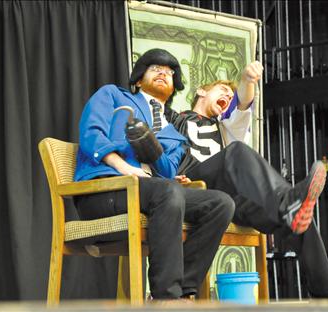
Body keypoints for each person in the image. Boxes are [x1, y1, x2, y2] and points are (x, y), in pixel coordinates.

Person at [167, 60, 328, 299]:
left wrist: (246, 81)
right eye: (221, 89)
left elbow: (242, 102)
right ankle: (288, 202)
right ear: (202, 91)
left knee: (295, 219)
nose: (227, 93)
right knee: (236, 151)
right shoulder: (174, 118)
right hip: (192, 186)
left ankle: (326, 292)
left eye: (229, 92)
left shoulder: (224, 125)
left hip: (225, 198)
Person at [73, 48, 235, 301]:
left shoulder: (173, 133)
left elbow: (167, 170)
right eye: (155, 68)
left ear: (173, 88)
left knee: (220, 203)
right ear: (139, 79)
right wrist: (123, 166)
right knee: (167, 191)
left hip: (149, 194)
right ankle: (165, 297)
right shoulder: (113, 95)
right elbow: (91, 134)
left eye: (170, 72)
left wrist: (151, 147)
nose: (163, 73)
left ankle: (183, 292)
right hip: (104, 191)